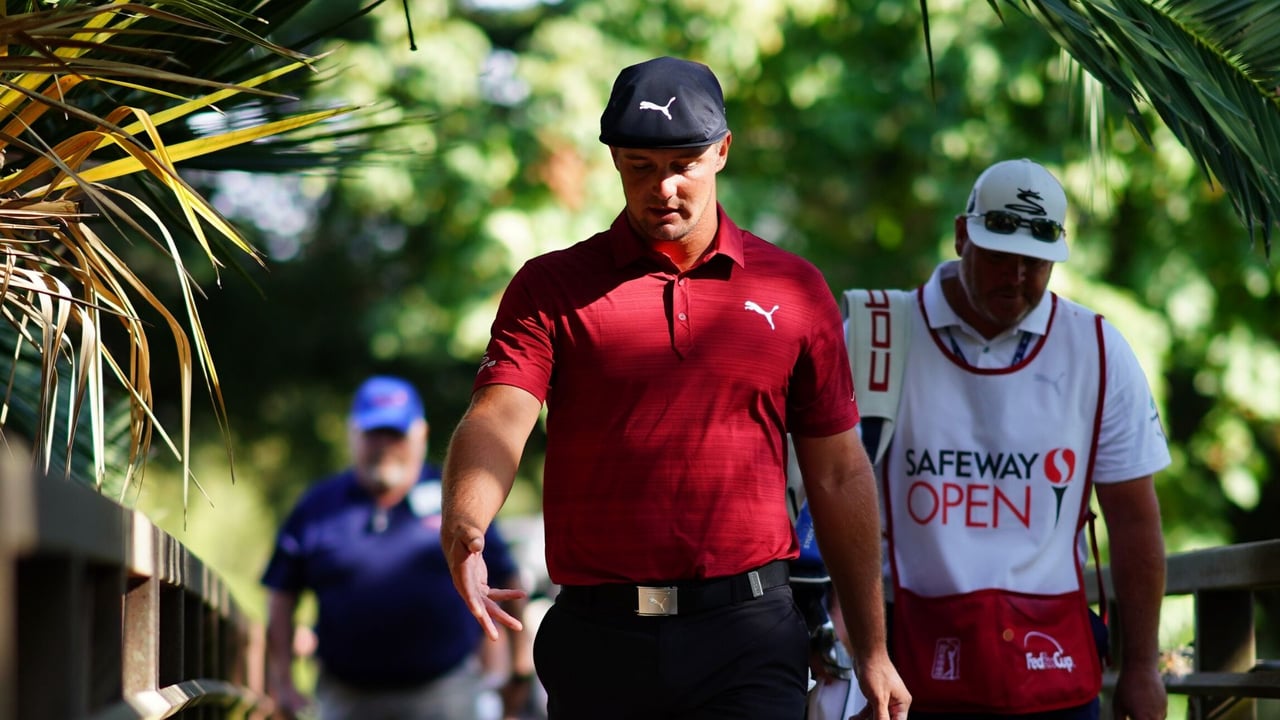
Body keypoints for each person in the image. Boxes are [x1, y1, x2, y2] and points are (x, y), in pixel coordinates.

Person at [439, 55, 910, 720]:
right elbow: (498, 416)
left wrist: (873, 650)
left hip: (749, 637)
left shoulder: (795, 288)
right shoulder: (550, 287)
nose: (663, 188)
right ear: (614, 160)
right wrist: (465, 525)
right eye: (641, 166)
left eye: (683, 164)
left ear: (722, 151)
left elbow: (838, 473)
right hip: (600, 641)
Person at [842, 158, 1169, 719]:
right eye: (998, 255)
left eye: (1034, 262)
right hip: (910, 665)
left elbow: (1135, 519)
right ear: (961, 236)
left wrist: (1141, 667)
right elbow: (823, 490)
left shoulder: (1096, 348)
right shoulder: (878, 335)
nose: (1016, 276)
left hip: (1051, 666)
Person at [261, 375, 531, 720]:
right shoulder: (318, 508)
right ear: (352, 434)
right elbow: (281, 593)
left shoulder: (457, 502)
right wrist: (282, 681)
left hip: (446, 693)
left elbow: (506, 577)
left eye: (395, 434)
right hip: (346, 697)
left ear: (421, 435)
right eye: (374, 434)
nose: (384, 446)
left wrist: (518, 665)